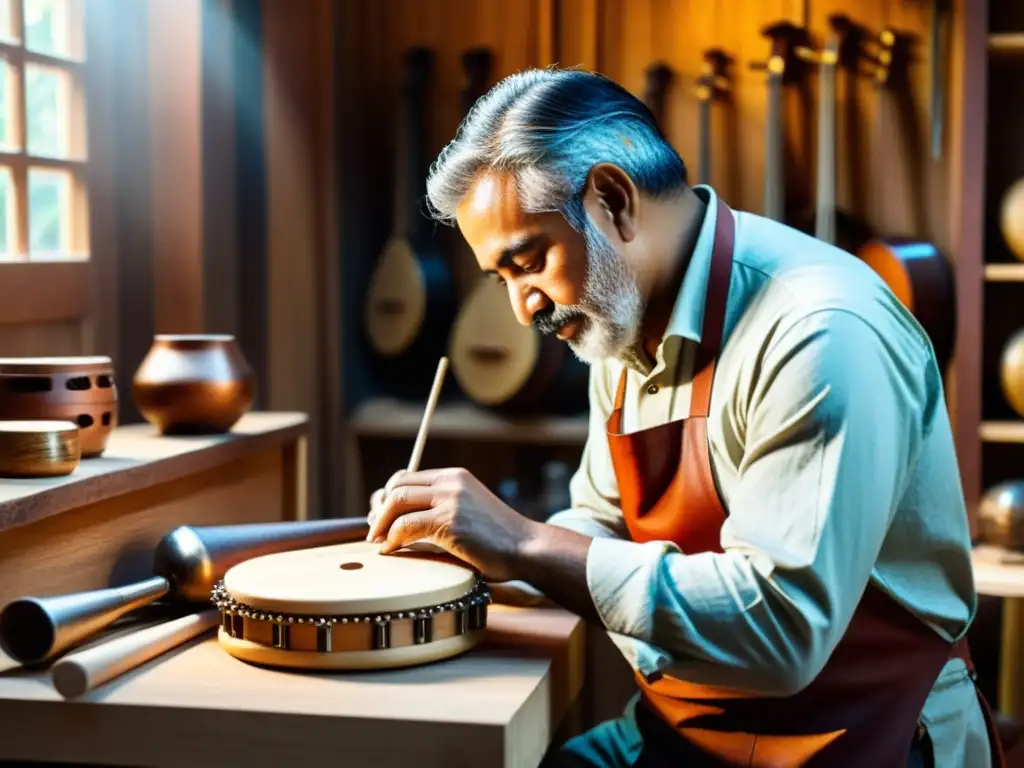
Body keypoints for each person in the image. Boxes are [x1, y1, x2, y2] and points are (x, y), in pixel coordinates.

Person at [365, 67, 1000, 767]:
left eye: (530, 261)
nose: (524, 309)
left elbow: (782, 633)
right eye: (502, 278)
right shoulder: (617, 311)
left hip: (862, 734)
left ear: (612, 199)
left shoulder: (820, 329)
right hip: (688, 732)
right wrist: (479, 555)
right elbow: (599, 523)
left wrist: (524, 543)